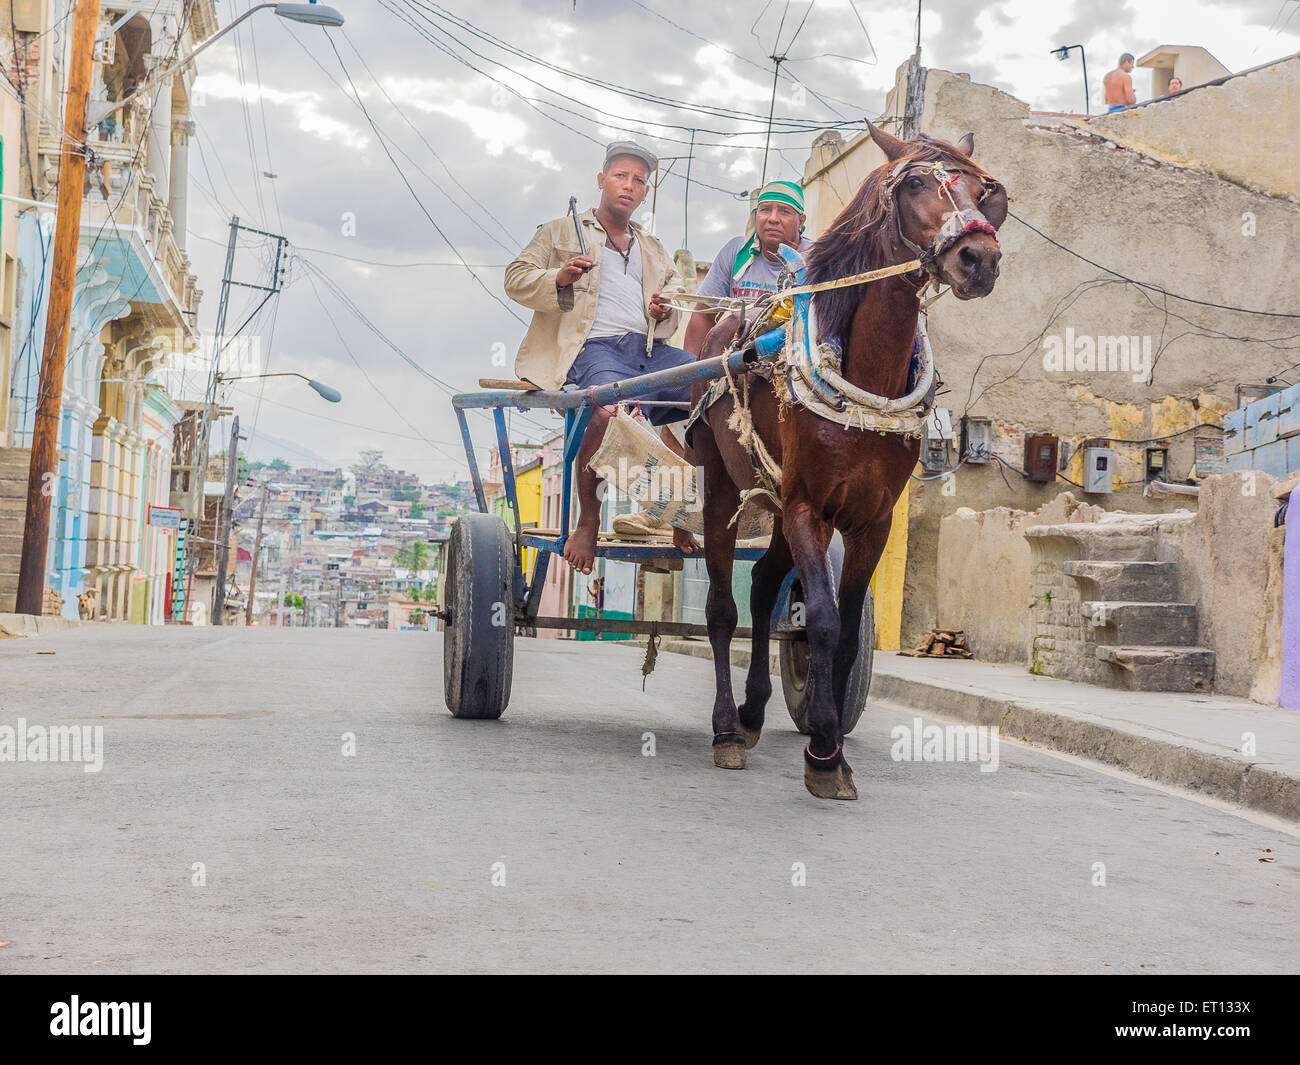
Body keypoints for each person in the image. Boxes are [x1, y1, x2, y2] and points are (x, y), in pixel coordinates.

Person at [504, 141, 697, 575]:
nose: (628, 186)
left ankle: (681, 513)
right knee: (606, 410)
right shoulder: (560, 231)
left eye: (638, 181)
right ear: (601, 180)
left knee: (708, 397)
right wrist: (560, 275)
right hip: (592, 349)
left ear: (645, 192)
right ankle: (588, 522)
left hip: (647, 351)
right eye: (620, 176)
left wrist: (662, 310)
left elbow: (675, 299)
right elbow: (515, 279)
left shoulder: (652, 247)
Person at [684, 180, 815, 355]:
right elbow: (704, 314)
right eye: (765, 209)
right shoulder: (735, 251)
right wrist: (691, 376)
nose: (773, 218)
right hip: (737, 359)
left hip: (796, 362)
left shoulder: (816, 258)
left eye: (784, 211)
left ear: (801, 221)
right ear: (756, 216)